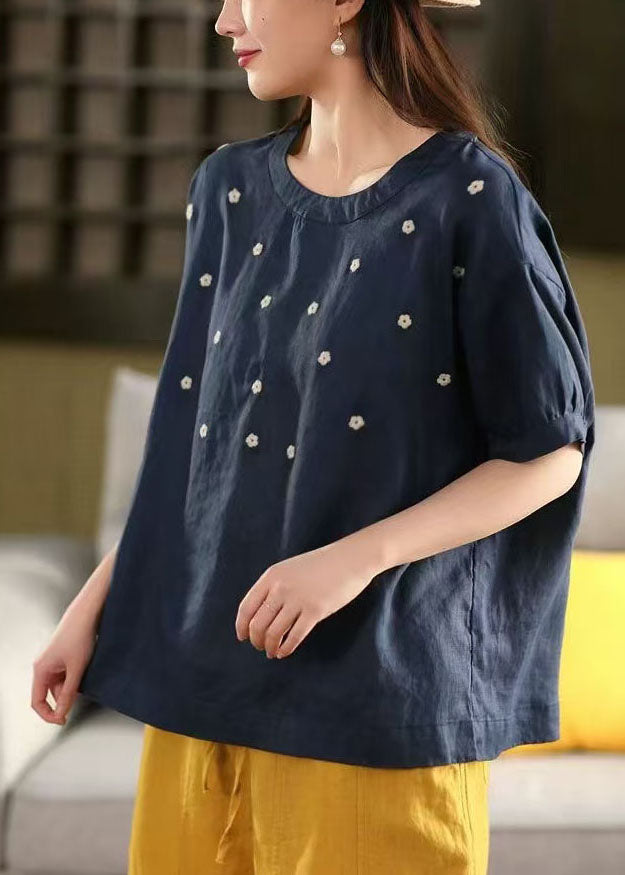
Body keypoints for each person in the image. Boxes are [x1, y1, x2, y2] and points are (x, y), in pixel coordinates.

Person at [31, 0, 596, 872]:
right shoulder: (227, 190)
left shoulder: (470, 198)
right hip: (196, 692)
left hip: (378, 710)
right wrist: (93, 605)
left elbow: (548, 453)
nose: (225, 22)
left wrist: (352, 559)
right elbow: (198, 446)